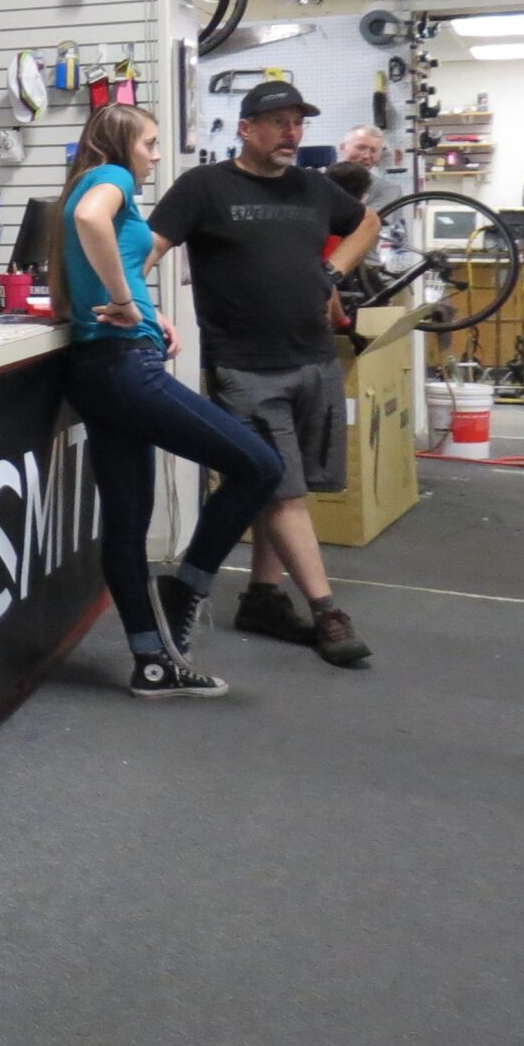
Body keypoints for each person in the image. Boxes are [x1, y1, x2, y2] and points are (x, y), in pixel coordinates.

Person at [53, 103, 283, 700]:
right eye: (151, 144)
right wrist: (127, 302)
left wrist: (149, 314)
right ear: (122, 143)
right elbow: (89, 221)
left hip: (101, 367)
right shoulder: (110, 179)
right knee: (260, 466)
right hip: (124, 366)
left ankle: (153, 662)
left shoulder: (88, 179)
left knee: (127, 525)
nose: (155, 156)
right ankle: (187, 587)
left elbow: (105, 247)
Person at [151, 81, 380, 668]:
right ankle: (327, 609)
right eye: (278, 122)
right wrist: (135, 301)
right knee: (281, 487)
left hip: (313, 358)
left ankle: (262, 596)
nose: (291, 133)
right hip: (244, 366)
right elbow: (147, 248)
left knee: (283, 484)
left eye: (298, 123)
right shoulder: (204, 187)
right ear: (246, 128)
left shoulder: (314, 186)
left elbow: (367, 224)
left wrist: (330, 270)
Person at [336, 123, 407, 213]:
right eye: (361, 148)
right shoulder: (320, 182)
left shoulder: (387, 190)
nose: (366, 156)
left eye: (373, 151)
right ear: (343, 148)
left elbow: (367, 223)